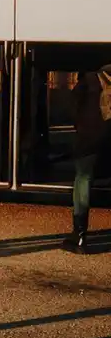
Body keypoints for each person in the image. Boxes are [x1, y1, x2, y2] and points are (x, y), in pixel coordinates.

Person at [65, 65, 110, 253]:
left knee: (83, 179)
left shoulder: (89, 81)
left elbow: (73, 111)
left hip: (90, 139)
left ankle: (80, 234)